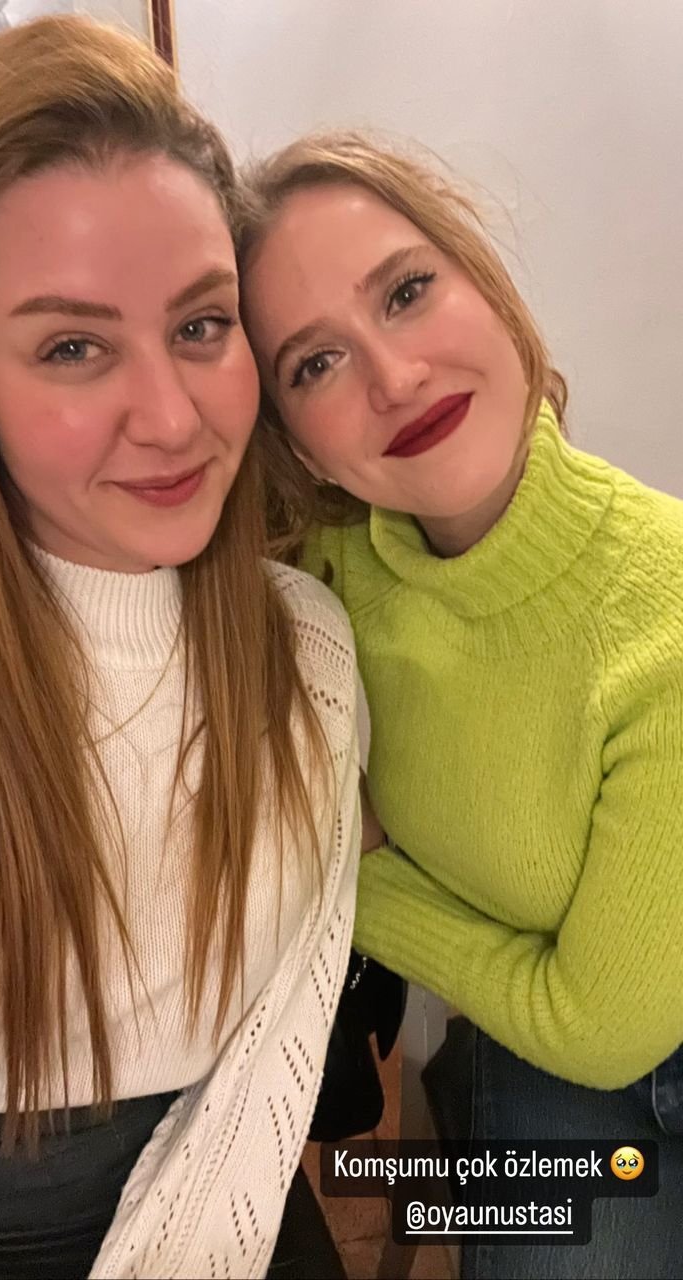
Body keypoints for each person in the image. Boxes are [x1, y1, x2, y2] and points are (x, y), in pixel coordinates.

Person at [237, 131, 683, 1279]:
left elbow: (606, 1022)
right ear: (296, 445)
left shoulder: (667, 614)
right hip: (547, 1057)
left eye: (406, 291)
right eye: (314, 363)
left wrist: (361, 875)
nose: (393, 377)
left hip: (603, 1031)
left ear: (485, 280)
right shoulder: (326, 574)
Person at [0, 22, 360, 1280]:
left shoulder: (307, 650)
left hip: (243, 1204)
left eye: (202, 324)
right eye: (72, 346)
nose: (175, 418)